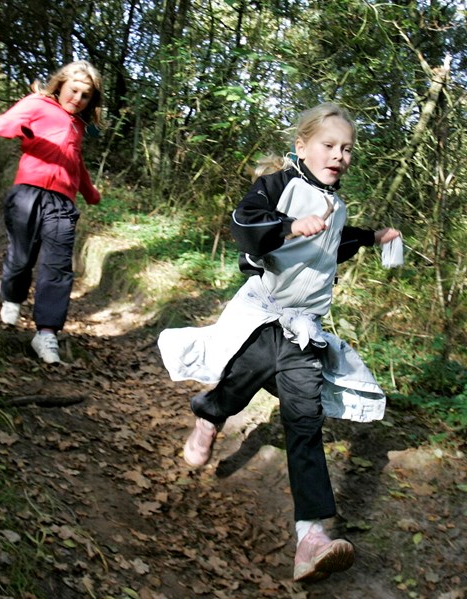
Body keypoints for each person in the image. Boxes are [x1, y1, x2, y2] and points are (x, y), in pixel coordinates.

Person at [157, 102, 400, 582]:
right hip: (263, 314)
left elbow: (331, 244)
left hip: (305, 327)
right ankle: (210, 414)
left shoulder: (338, 204)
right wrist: (289, 225)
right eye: (329, 145)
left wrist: (372, 237)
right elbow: (244, 224)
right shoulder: (277, 186)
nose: (339, 155)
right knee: (242, 379)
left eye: (347, 149)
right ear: (302, 147)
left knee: (305, 419)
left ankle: (310, 536)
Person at [0, 60, 104, 364]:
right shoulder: (38, 103)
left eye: (85, 96)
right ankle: (12, 300)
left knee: (57, 267)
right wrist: (23, 129)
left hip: (62, 203)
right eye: (74, 91)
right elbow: (0, 126)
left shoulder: (79, 126)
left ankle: (47, 334)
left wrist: (90, 193)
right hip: (27, 193)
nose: (77, 99)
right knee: (21, 258)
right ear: (61, 85)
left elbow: (75, 163)